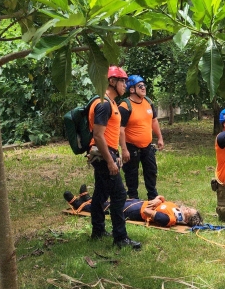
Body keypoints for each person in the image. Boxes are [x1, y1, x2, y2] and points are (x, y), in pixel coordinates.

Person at [86, 66, 141, 249]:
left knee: (100, 194)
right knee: (119, 195)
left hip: (107, 153)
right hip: (103, 155)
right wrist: (110, 161)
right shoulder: (103, 104)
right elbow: (98, 135)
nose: (125, 85)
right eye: (122, 81)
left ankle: (98, 230)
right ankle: (120, 238)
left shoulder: (111, 102)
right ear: (112, 81)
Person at [63, 185, 203, 227]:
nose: (187, 207)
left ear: (186, 219)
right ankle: (89, 199)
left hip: (136, 211)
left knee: (108, 209)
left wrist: (156, 203)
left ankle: (77, 204)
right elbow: (161, 200)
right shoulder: (175, 208)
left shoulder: (170, 219)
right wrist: (158, 199)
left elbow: (149, 213)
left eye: (189, 210)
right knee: (111, 202)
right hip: (139, 203)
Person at [119, 75, 164, 200]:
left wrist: (160, 138)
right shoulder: (125, 106)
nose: (143, 87)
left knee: (151, 170)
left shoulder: (148, 102)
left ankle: (152, 195)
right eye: (140, 86)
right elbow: (120, 130)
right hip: (131, 146)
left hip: (147, 146)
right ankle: (133, 197)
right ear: (132, 89)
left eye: (144, 85)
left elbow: (154, 121)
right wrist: (124, 149)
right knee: (131, 173)